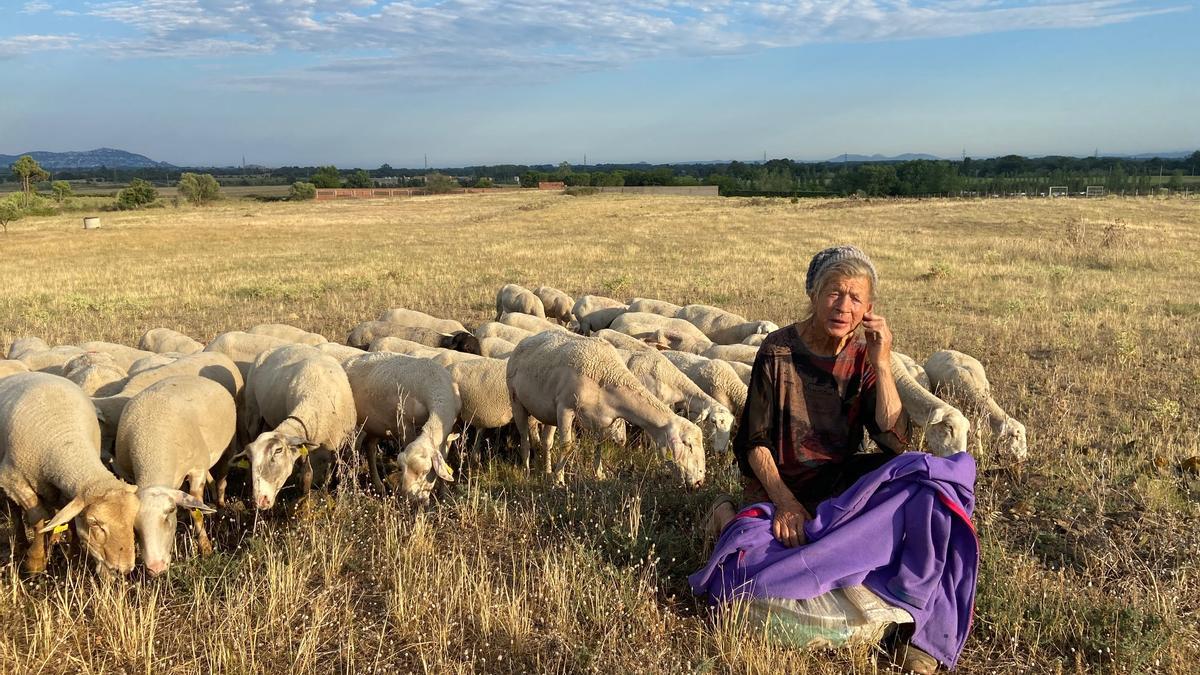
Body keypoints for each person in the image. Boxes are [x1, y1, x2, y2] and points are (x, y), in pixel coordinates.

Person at [703, 245, 946, 674]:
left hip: (836, 482)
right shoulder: (777, 351)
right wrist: (785, 502)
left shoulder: (864, 356)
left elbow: (893, 439)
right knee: (753, 557)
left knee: (926, 485)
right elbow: (753, 441)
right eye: (835, 293)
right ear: (814, 295)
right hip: (779, 482)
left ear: (869, 309)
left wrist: (883, 364)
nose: (843, 306)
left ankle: (915, 629)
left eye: (856, 298)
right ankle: (728, 515)